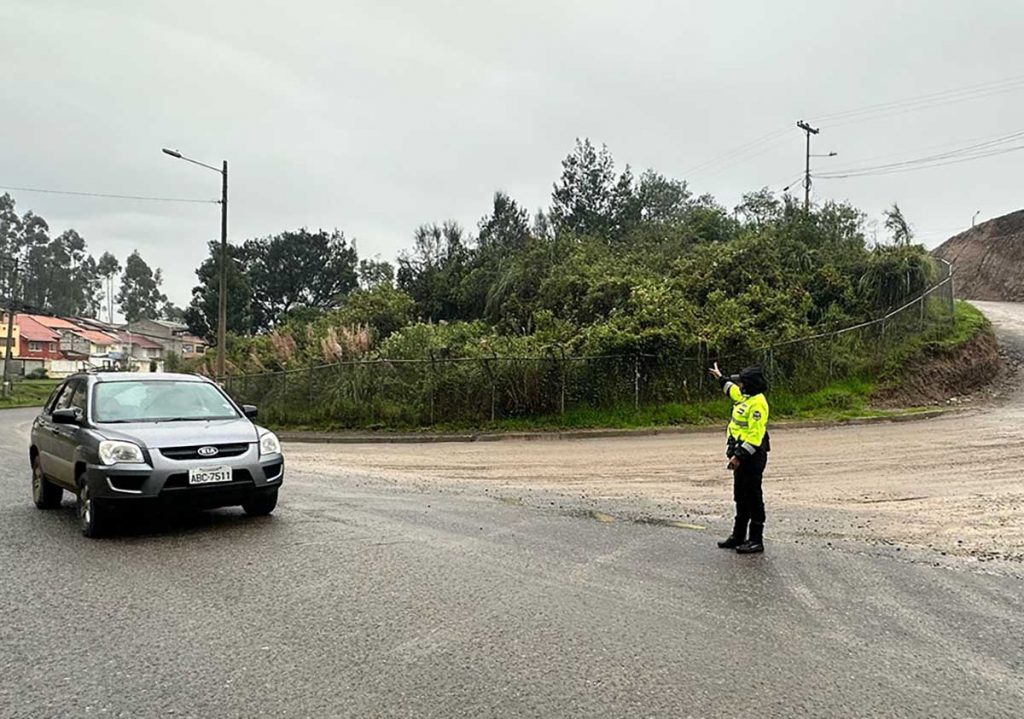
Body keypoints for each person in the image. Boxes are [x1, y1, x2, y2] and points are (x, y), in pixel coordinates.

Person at [708, 362, 770, 554]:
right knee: (740, 497)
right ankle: (738, 536)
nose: (739, 385)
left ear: (750, 384)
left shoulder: (758, 404)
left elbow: (755, 436)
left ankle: (755, 540)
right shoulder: (744, 397)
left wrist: (738, 457)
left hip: (751, 456)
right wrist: (720, 377)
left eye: (742, 382)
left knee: (753, 497)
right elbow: (731, 390)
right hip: (738, 454)